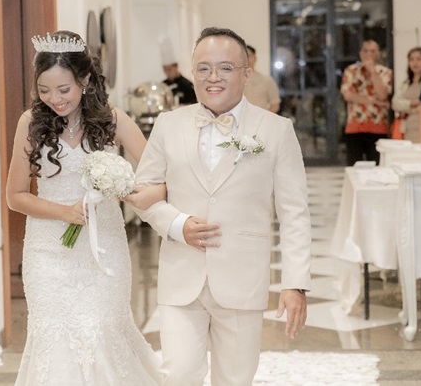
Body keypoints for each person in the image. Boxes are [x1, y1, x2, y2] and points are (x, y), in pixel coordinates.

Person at [127, 27, 311, 385]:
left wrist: (295, 283)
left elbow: (295, 214)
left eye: (225, 68)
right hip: (181, 276)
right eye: (203, 68)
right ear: (192, 72)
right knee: (178, 375)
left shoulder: (276, 130)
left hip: (242, 277)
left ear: (247, 73)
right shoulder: (168, 124)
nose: (213, 77)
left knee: (236, 379)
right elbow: (143, 193)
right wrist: (177, 224)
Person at [6, 30, 163, 385]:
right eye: (45, 90)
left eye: (64, 90)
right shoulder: (30, 123)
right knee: (55, 337)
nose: (55, 100)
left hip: (103, 249)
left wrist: (129, 191)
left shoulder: (112, 119)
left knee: (102, 329)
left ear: (86, 80)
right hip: (48, 252)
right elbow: (15, 196)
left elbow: (157, 172)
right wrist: (63, 212)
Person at [340, 39, 393, 165]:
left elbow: (382, 95)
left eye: (372, 51)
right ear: (360, 53)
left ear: (378, 53)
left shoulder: (386, 72)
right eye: (366, 51)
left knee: (377, 166)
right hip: (355, 126)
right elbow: (348, 95)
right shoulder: (351, 71)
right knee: (354, 166)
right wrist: (374, 102)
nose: (369, 54)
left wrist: (373, 72)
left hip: (378, 127)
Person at [391, 46, 421, 143]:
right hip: (407, 127)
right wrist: (412, 103)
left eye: (419, 59)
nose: (415, 63)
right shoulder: (406, 83)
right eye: (411, 59)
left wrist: (420, 106)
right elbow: (395, 103)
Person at [160, 34, 197, 105]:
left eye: (169, 69)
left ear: (176, 66)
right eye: (165, 70)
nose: (167, 73)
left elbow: (193, 105)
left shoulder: (187, 85)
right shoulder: (163, 85)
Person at [243, 44, 281, 113]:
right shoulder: (233, 80)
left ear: (255, 58)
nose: (247, 59)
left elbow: (275, 105)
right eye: (244, 56)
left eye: (249, 56)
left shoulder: (267, 80)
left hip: (260, 118)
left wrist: (265, 118)